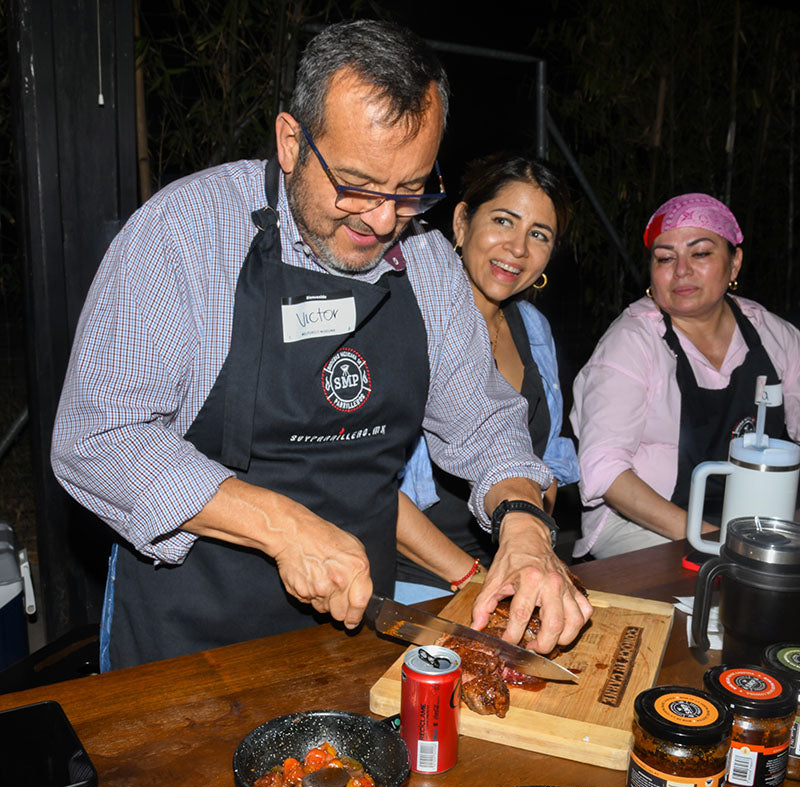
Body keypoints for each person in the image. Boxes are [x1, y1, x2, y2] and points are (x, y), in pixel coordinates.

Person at [51, 20, 592, 669]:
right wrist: (282, 526)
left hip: (357, 632)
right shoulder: (183, 235)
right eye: (357, 185)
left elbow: (484, 423)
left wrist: (525, 528)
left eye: (411, 189)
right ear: (290, 141)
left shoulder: (426, 261)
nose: (383, 219)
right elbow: (97, 438)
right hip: (188, 638)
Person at [571, 193, 800, 558]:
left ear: (735, 262)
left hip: (750, 522)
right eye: (665, 258)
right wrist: (714, 538)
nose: (681, 271)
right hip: (642, 524)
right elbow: (603, 470)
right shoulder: (630, 342)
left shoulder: (773, 335)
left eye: (701, 253)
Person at [395, 153, 579, 602]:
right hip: (413, 577)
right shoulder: (404, 317)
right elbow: (366, 485)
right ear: (461, 222)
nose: (518, 248)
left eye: (539, 234)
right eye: (503, 221)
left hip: (511, 569)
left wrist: (532, 551)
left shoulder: (534, 329)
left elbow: (548, 466)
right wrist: (475, 579)